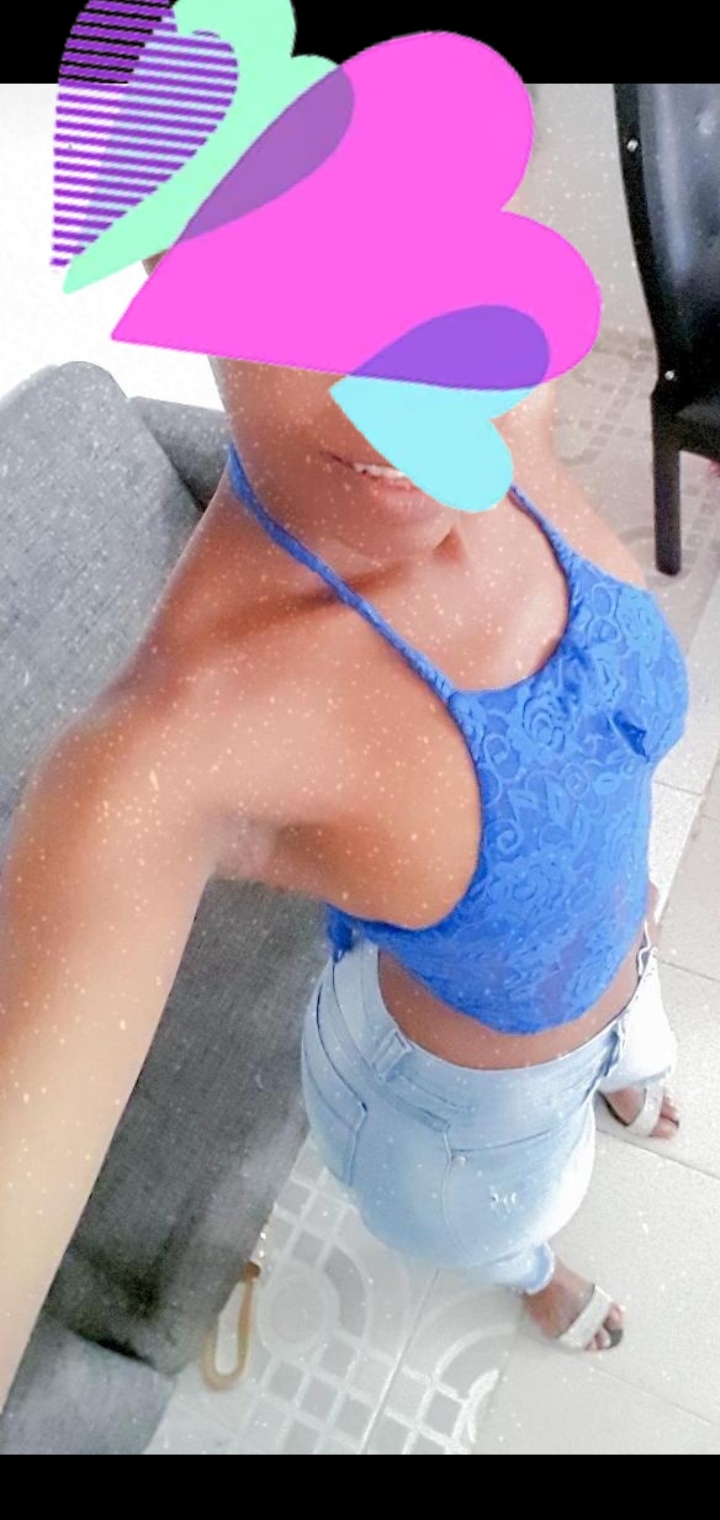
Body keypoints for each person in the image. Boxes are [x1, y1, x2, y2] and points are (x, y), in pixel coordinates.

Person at [0, 100, 688, 1417]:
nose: (404, 363)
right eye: (297, 267)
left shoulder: (512, 403)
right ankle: (532, 1273)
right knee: (521, 1218)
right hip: (466, 1126)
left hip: (625, 952)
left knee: (634, 1047)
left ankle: (627, 1073)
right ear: (170, 262)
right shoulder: (178, 738)